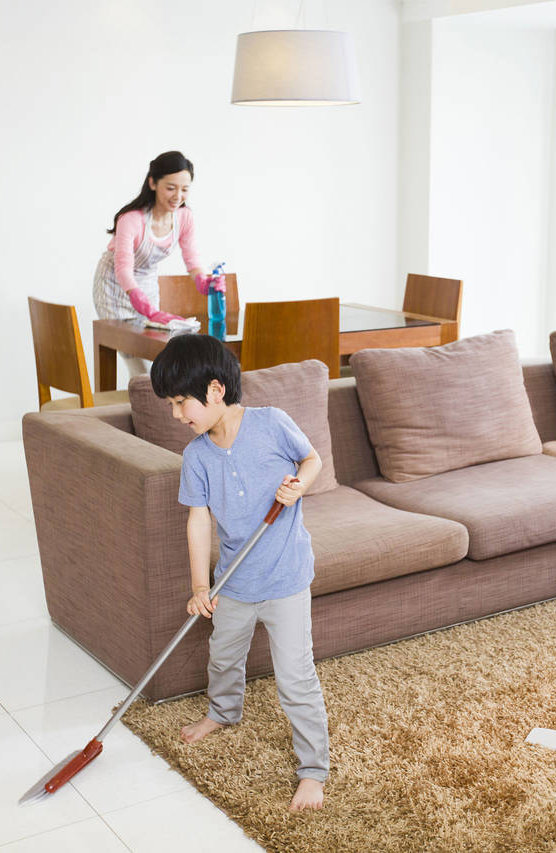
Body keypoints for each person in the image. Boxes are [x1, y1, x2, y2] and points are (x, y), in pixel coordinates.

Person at [149, 333, 329, 812]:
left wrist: (299, 486)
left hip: (286, 578)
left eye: (180, 401)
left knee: (296, 677)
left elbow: (312, 459)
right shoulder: (197, 456)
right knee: (224, 657)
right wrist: (200, 586)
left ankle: (313, 770)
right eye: (170, 404)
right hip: (234, 582)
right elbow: (197, 520)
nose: (176, 414)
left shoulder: (272, 425)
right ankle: (223, 713)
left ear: (213, 390)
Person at [93, 151, 212, 375]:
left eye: (184, 189)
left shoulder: (184, 217)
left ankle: (150, 403)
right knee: (134, 356)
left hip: (146, 282)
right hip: (114, 286)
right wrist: (140, 301)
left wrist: (202, 280)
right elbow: (123, 269)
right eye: (171, 187)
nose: (178, 196)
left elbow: (192, 258)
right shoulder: (131, 220)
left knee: (155, 350)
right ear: (153, 183)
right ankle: (141, 401)